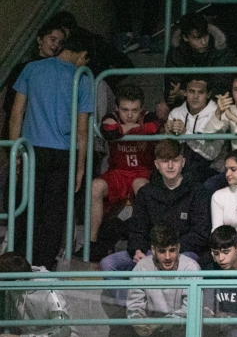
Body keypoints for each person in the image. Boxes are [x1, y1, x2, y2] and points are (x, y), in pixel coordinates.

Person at [8, 30, 94, 269]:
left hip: (32, 150)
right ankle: (43, 266)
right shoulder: (82, 79)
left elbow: (16, 114)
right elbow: (82, 131)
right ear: (82, 54)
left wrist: (16, 152)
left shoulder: (32, 69)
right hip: (63, 154)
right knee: (53, 216)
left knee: (26, 211)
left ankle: (18, 265)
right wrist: (80, 168)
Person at [100, 140, 211, 275]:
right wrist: (137, 249)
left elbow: (200, 234)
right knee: (108, 264)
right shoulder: (146, 193)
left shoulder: (198, 192)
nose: (170, 166)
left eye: (175, 160)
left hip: (183, 252)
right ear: (157, 164)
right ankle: (138, 290)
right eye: (165, 161)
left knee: (189, 262)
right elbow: (137, 229)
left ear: (183, 162)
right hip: (151, 252)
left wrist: (170, 251)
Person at [89, 85, 160, 260]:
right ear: (116, 108)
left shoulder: (148, 116)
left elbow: (153, 128)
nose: (129, 115)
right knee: (95, 186)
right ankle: (92, 244)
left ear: (141, 109)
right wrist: (135, 128)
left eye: (134, 110)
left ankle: (142, 242)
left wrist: (124, 129)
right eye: (125, 110)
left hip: (141, 172)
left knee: (141, 186)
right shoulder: (111, 116)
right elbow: (109, 130)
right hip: (117, 173)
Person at [163, 14, 236, 112]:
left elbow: (222, 89)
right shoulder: (176, 53)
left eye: (205, 36)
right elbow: (170, 89)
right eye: (197, 38)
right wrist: (173, 96)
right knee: (162, 108)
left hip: (214, 103)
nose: (204, 42)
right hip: (186, 103)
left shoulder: (221, 51)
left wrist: (187, 93)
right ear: (185, 38)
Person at [164, 76, 220, 183]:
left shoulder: (218, 114)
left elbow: (212, 154)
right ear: (184, 92)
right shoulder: (175, 113)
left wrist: (185, 134)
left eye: (201, 92)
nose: (195, 96)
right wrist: (169, 136)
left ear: (208, 94)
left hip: (211, 170)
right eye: (191, 91)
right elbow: (168, 152)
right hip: (179, 168)